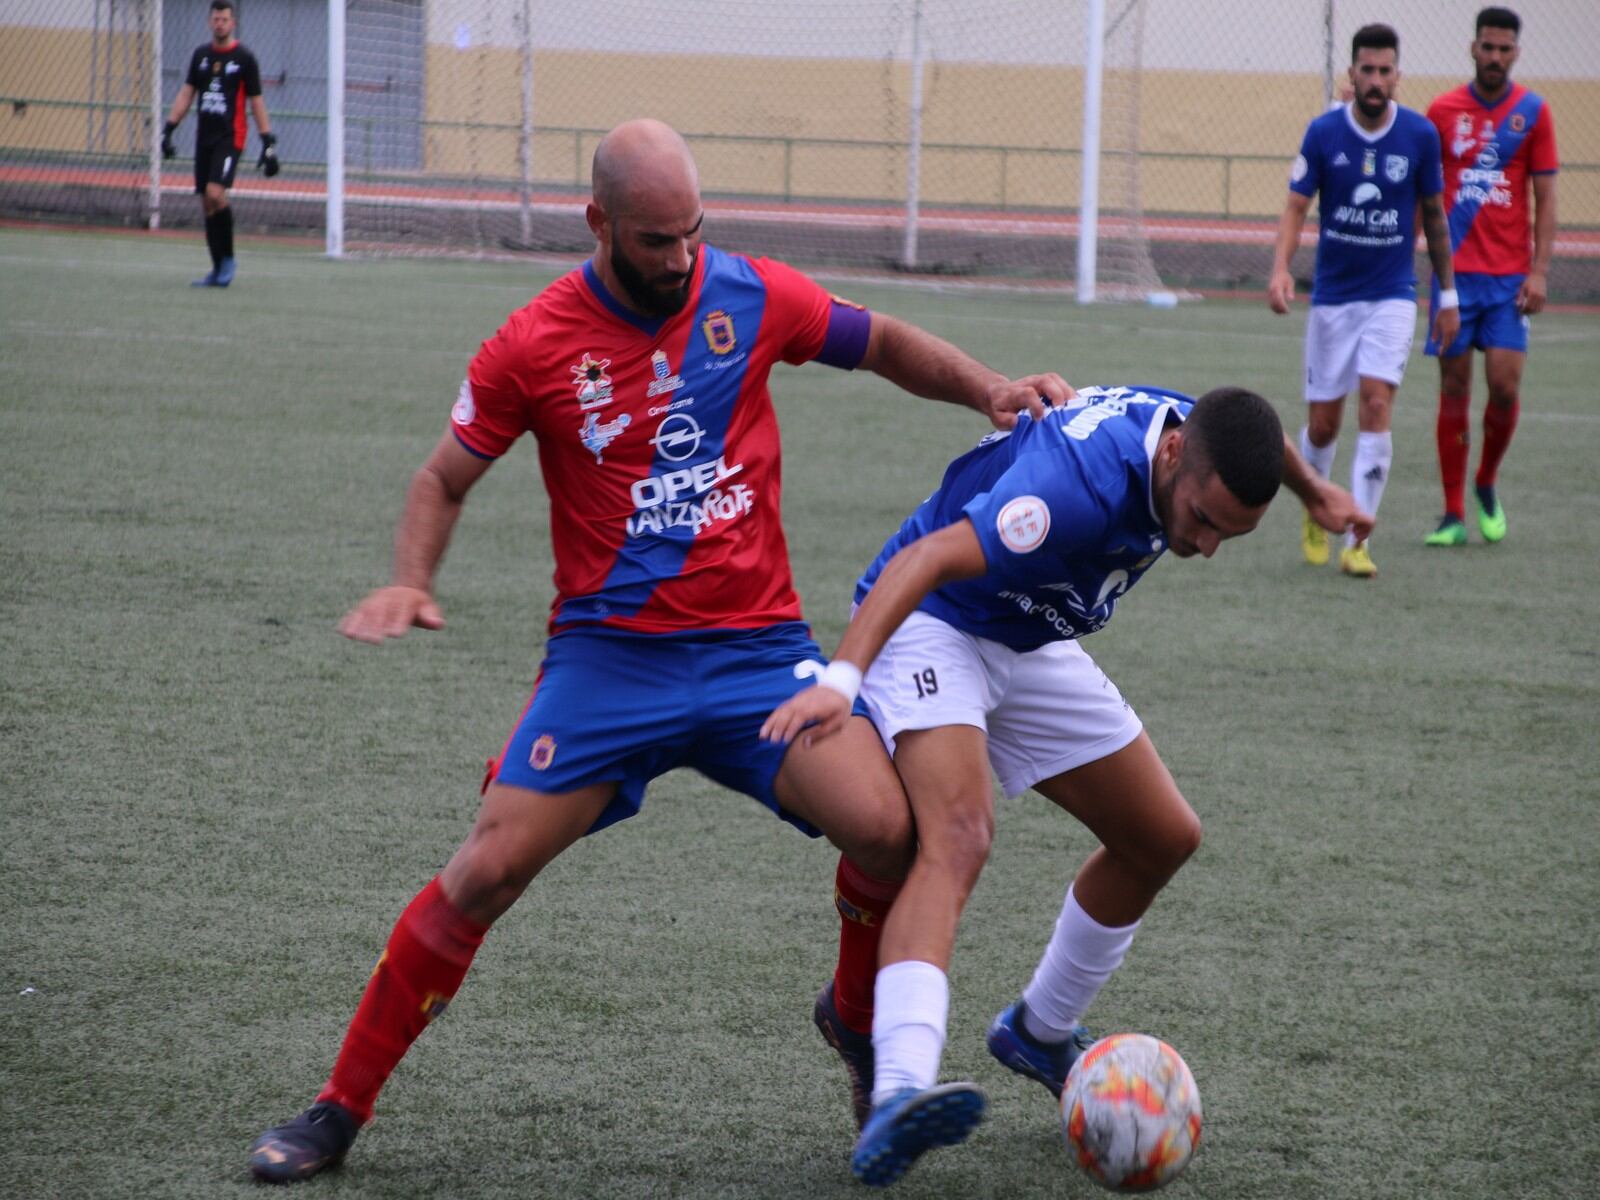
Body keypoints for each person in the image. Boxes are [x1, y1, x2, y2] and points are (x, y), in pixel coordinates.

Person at [246, 118, 1069, 1185]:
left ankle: (853, 1022)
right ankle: (335, 1109)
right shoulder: (530, 343)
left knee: (890, 832)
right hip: (608, 666)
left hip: (753, 652)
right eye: (653, 241)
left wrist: (989, 389)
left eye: (691, 234)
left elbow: (880, 342)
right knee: (484, 869)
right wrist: (414, 578)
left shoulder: (749, 293)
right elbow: (441, 479)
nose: (680, 261)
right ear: (598, 224)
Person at [762, 385, 1373, 1186]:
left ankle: (1039, 1031)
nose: (1209, 545)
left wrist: (1313, 486)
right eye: (1203, 521)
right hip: (936, 621)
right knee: (959, 835)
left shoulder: (1197, 432)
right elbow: (924, 559)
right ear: (1172, 455)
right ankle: (899, 1090)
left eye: (1232, 532)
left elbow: (1252, 425)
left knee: (1161, 836)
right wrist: (844, 679)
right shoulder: (1068, 493)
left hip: (1029, 630)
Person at [1268, 23, 1457, 580]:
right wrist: (1280, 268)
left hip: (1393, 296)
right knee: (1323, 426)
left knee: (1376, 403)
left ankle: (1358, 536)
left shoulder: (1420, 137)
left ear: (1398, 76)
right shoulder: (1324, 133)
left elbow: (1437, 220)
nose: (1376, 80)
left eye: (1385, 70)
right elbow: (1296, 208)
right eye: (1366, 70)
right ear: (1351, 75)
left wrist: (1449, 294)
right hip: (1333, 299)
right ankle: (1315, 504)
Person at [1422, 6, 1559, 547]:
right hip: (1454, 277)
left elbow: (1545, 198)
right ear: (1472, 48)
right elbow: (1425, 194)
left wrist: (1540, 271)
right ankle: (1453, 512)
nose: (1495, 57)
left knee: (1504, 386)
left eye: (1505, 49)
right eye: (1488, 47)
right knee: (1453, 386)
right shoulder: (1442, 110)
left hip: (1508, 279)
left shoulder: (1534, 112)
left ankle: (1486, 482)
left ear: (1516, 53)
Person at [159, 0, 278, 288]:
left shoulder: (244, 58)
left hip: (230, 137)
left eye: (225, 19)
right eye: (216, 19)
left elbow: (256, 101)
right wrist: (169, 129)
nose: (220, 24)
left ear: (232, 23)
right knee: (207, 204)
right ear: (209, 21)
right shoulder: (200, 55)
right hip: (205, 138)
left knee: (215, 193)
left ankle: (228, 260)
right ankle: (215, 269)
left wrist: (267, 141)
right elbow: (187, 94)